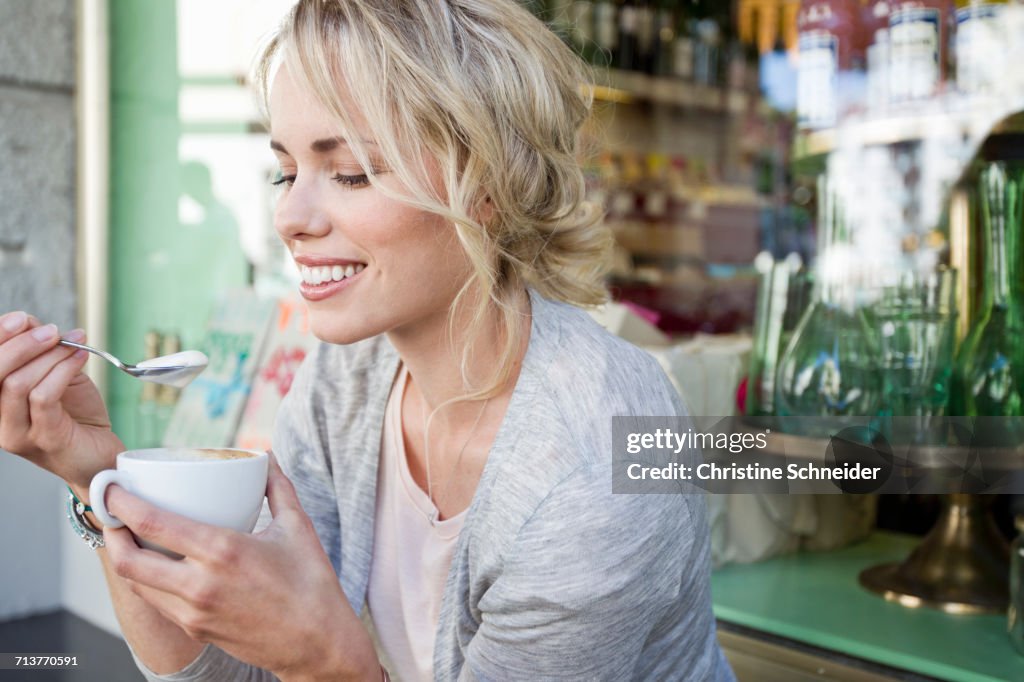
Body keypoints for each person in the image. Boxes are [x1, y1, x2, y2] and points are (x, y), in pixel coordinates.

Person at [0, 1, 735, 679]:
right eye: (284, 170)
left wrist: (329, 660)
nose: (289, 214)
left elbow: (305, 658)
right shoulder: (347, 375)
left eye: (349, 172)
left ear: (488, 183)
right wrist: (94, 475)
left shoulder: (596, 462)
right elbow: (233, 671)